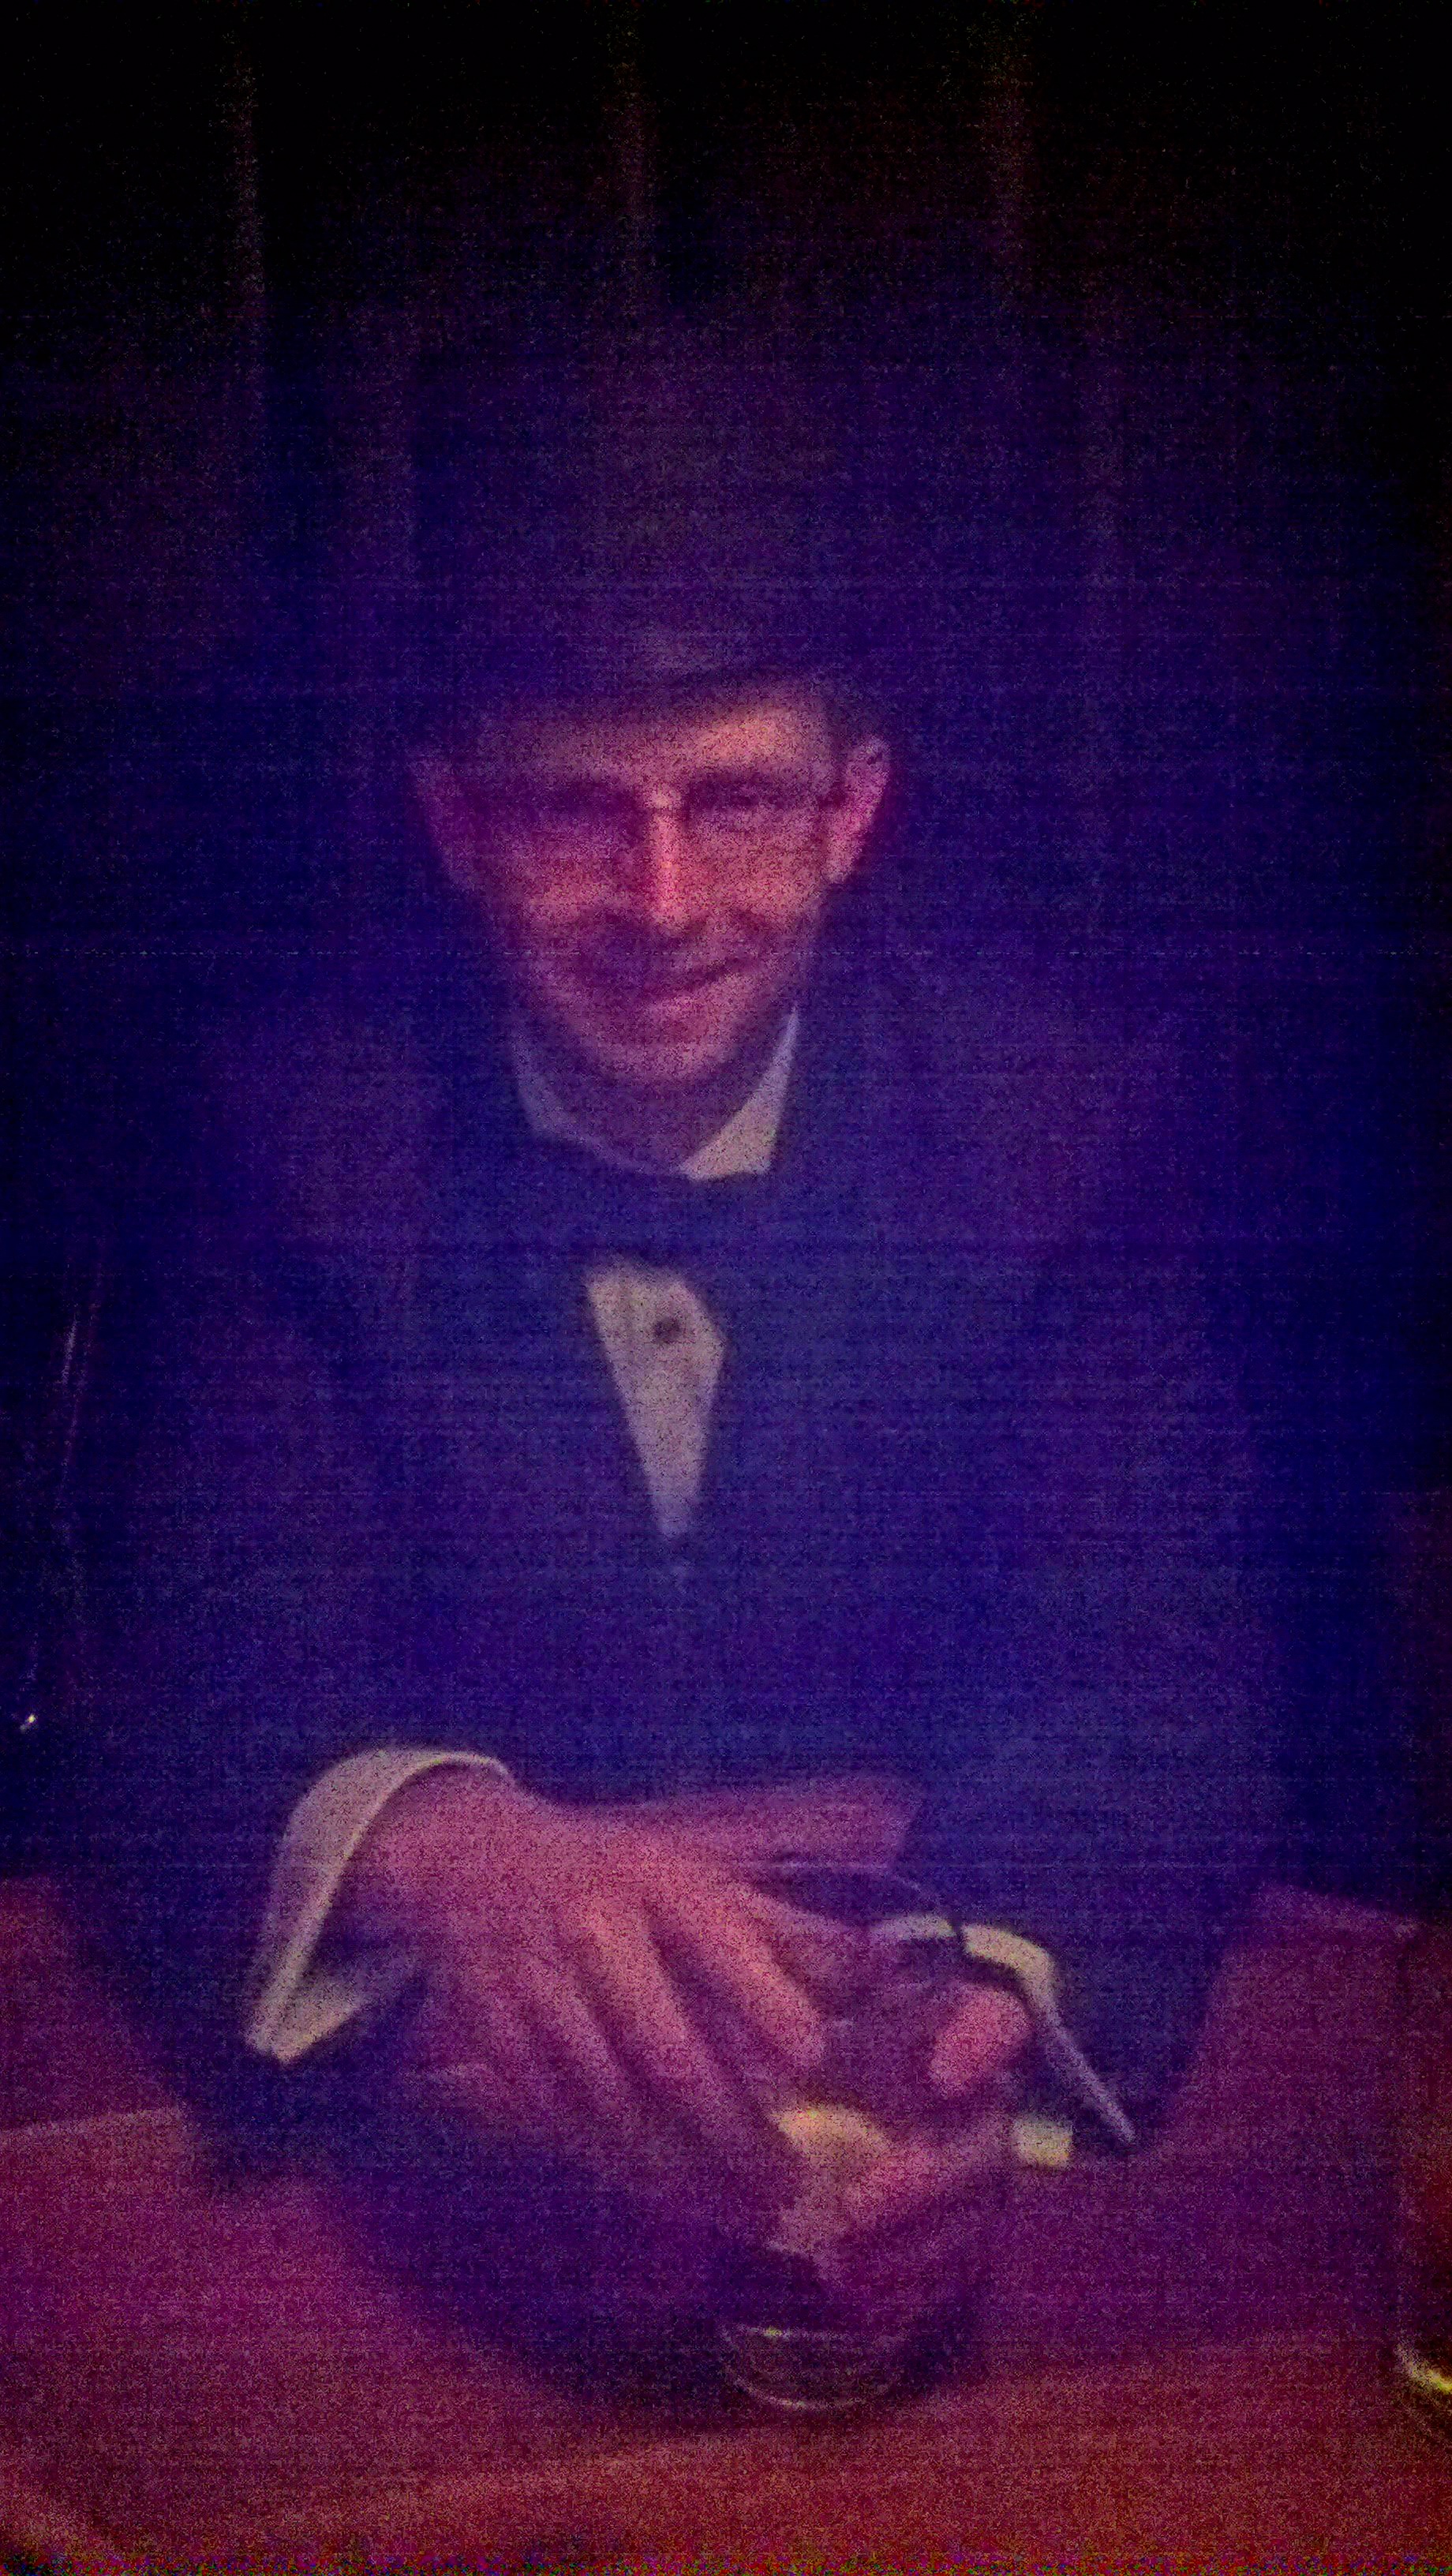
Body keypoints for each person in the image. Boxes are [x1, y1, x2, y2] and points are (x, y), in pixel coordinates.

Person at [75, 603, 1279, 2339]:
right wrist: (442, 1847)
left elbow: (1160, 1690)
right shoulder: (279, 1126)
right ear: (456, 823)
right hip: (432, 2181)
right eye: (576, 808)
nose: (661, 903)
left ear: (849, 811)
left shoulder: (1071, 1118)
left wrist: (975, 2025)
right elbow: (200, 1687)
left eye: (736, 803)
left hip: (924, 2182)